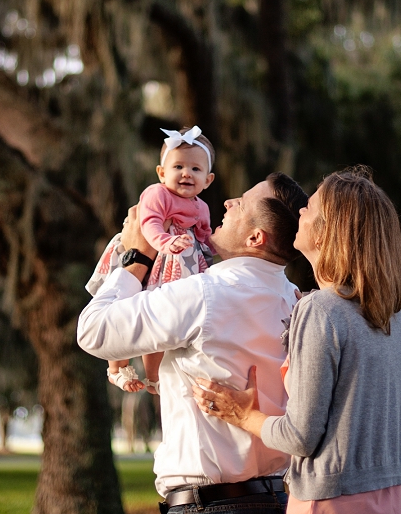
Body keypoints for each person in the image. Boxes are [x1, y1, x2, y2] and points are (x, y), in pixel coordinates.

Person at [77, 173, 309, 513]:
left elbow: (94, 332)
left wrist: (137, 255)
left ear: (256, 237)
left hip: (211, 505)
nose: (228, 202)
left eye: (241, 203)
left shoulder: (205, 294)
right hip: (277, 499)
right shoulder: (295, 301)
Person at [192, 168, 401, 514]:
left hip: (330, 503)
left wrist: (243, 415)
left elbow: (300, 437)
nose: (299, 213)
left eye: (309, 208)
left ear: (330, 231)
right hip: (396, 500)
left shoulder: (321, 310)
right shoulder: (396, 319)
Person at [86, 125, 217, 392]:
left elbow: (204, 233)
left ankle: (153, 376)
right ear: (161, 173)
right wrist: (166, 242)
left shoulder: (202, 207)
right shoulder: (157, 194)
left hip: (179, 260)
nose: (186, 174)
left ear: (208, 180)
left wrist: (210, 248)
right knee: (125, 307)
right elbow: (150, 224)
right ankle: (116, 368)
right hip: (152, 253)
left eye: (195, 169)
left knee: (158, 320)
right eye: (178, 167)